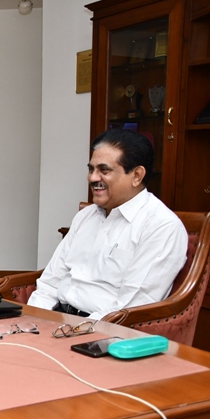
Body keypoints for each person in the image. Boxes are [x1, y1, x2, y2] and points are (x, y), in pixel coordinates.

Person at [27, 129, 188, 320]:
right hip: (56, 320)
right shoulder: (86, 216)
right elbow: (50, 283)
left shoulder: (161, 226)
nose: (93, 178)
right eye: (91, 170)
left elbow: (132, 308)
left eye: (104, 171)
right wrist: (32, 320)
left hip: (106, 330)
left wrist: (74, 331)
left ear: (137, 175)